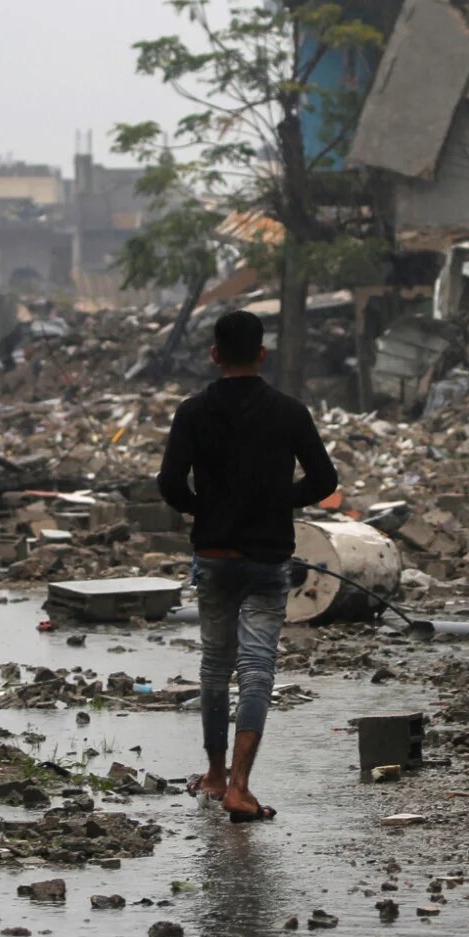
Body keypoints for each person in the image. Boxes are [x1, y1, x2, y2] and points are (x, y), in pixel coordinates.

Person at [157, 310, 338, 823]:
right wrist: (279, 501)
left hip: (215, 557)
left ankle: (215, 775)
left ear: (215, 354)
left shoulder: (193, 411)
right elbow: (324, 479)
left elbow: (170, 484)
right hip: (267, 557)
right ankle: (240, 787)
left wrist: (206, 510)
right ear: (262, 353)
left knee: (216, 666)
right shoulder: (289, 412)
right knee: (257, 669)